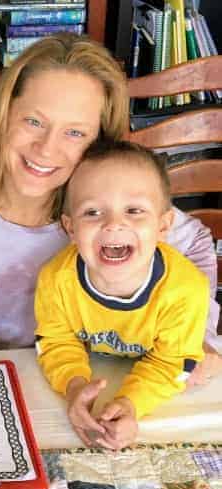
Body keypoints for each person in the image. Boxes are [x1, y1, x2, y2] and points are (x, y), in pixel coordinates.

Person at [0, 33, 220, 401]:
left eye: (75, 132)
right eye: (34, 122)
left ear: (100, 142)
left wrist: (201, 337)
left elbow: (193, 241)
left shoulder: (106, 210)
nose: (47, 148)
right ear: (4, 114)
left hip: (85, 378)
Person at [35, 139, 208, 450]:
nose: (114, 224)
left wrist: (131, 404)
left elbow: (169, 363)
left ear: (163, 225)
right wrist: (75, 387)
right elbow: (57, 342)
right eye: (92, 212)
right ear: (70, 228)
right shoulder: (55, 280)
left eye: (134, 210)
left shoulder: (186, 291)